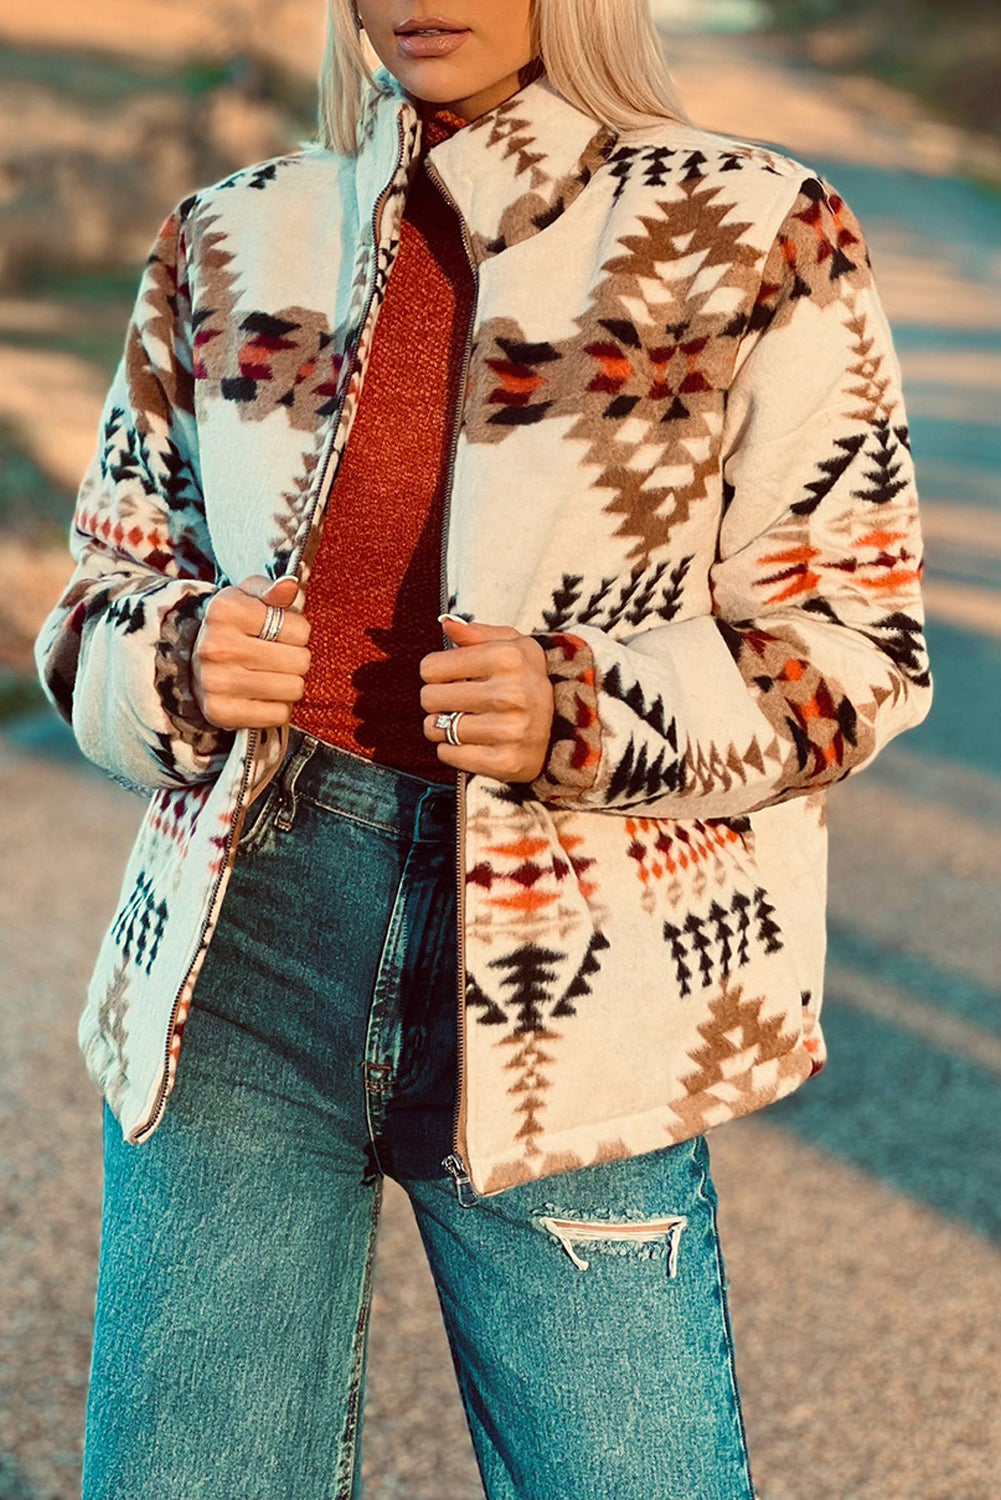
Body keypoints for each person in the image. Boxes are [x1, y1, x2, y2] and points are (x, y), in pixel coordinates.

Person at [34, 1, 932, 1496]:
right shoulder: (230, 235)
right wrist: (176, 657)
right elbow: (96, 600)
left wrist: (588, 707)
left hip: (577, 965)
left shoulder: (757, 231)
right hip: (241, 949)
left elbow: (855, 650)